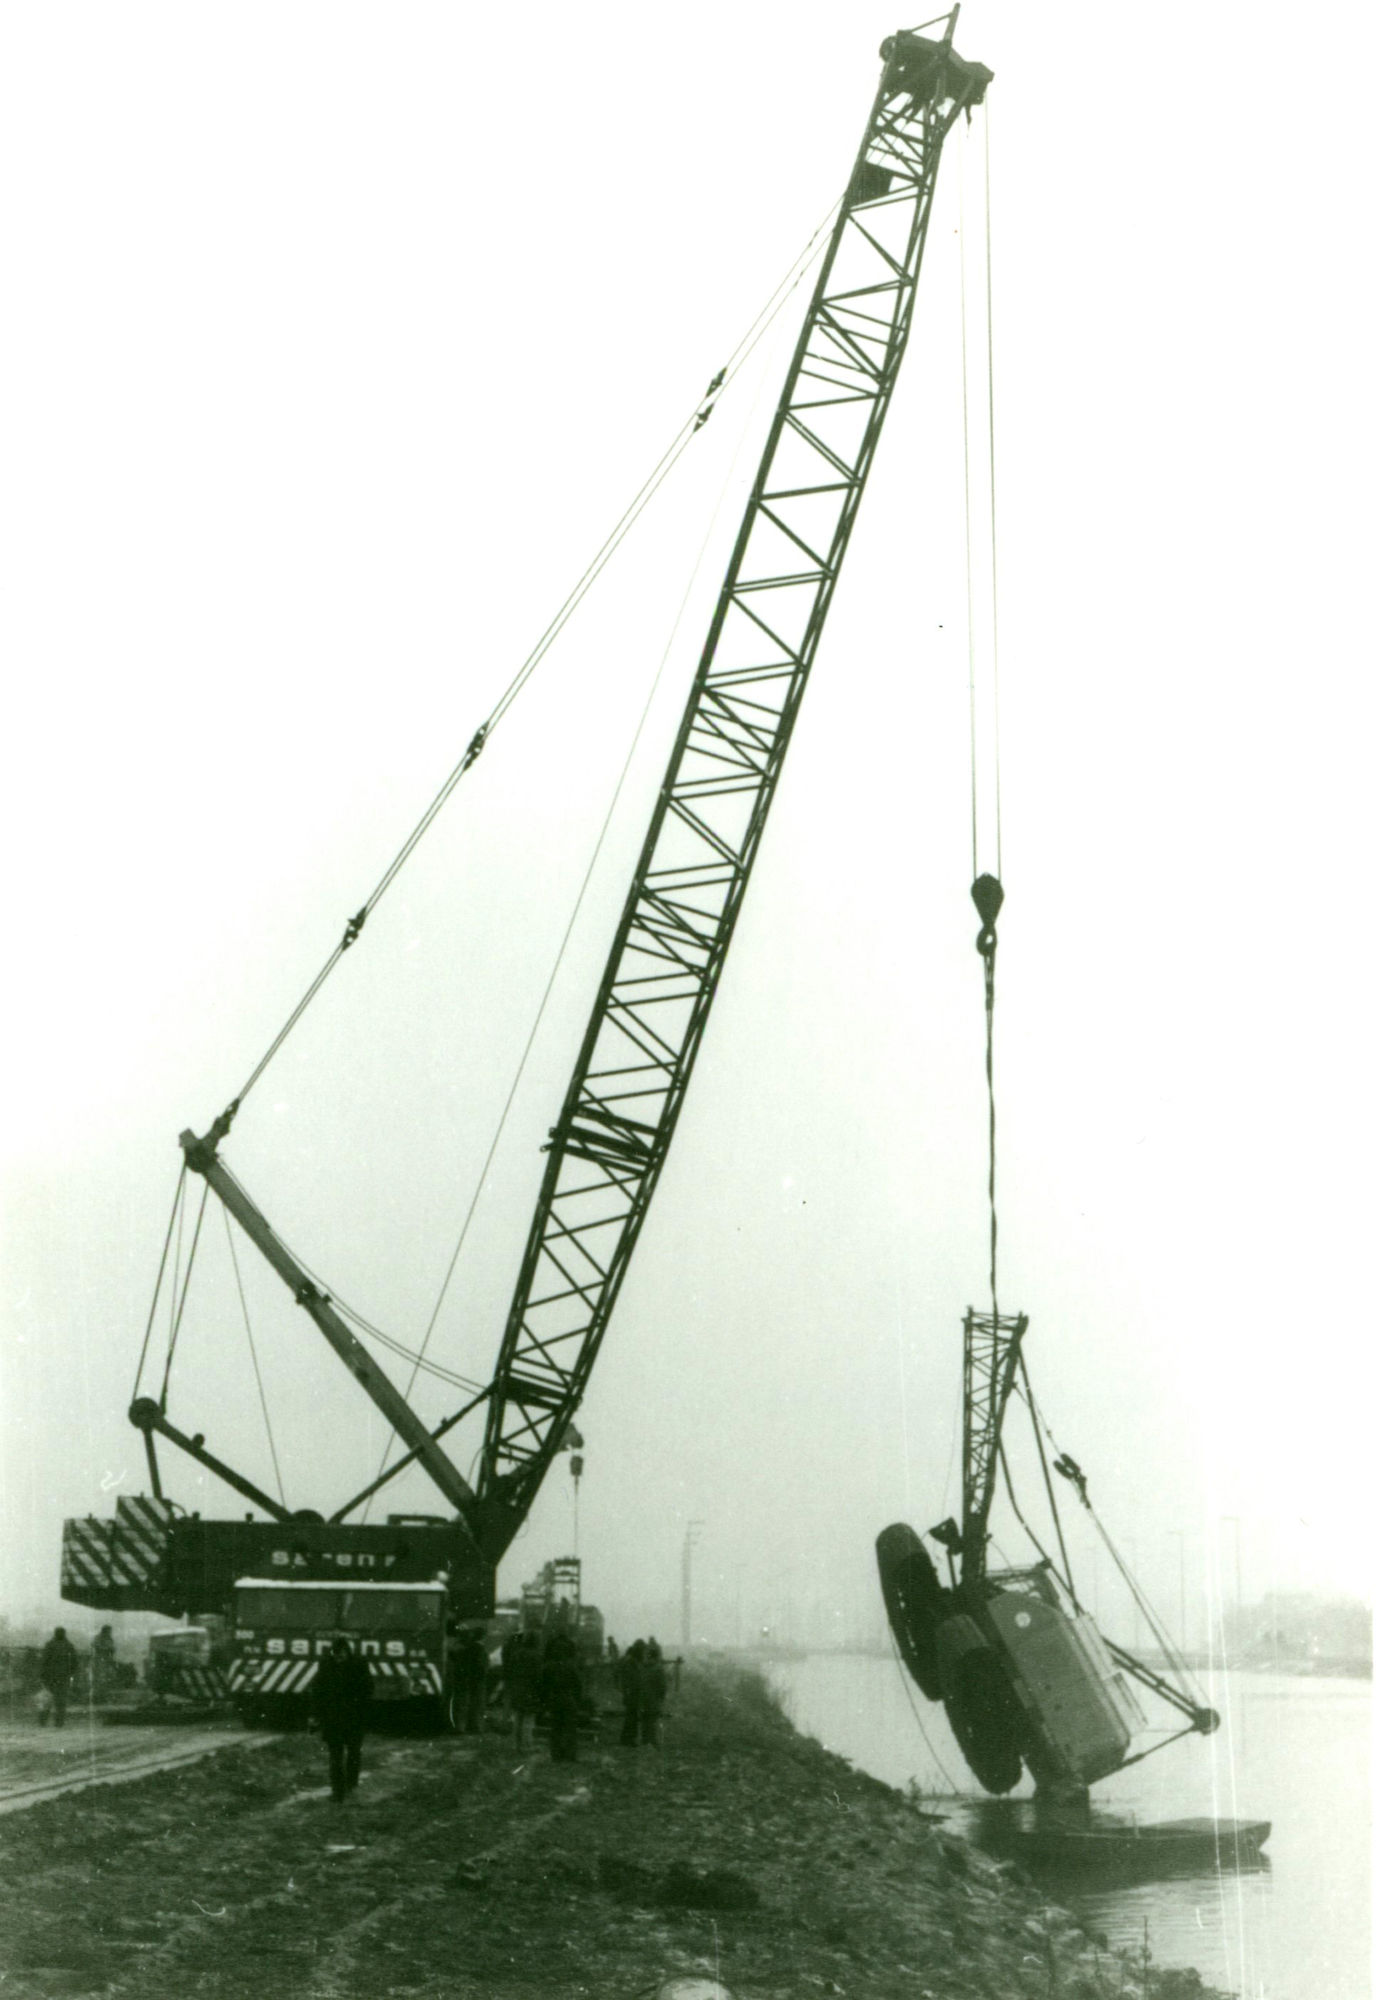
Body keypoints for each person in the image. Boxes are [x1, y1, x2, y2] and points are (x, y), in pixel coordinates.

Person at [311, 1636, 372, 1802]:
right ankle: (337, 1793)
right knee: (335, 1757)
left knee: (353, 1752)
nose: (338, 1657)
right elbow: (317, 1691)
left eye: (341, 1654)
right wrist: (315, 1715)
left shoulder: (359, 1665)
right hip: (333, 1719)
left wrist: (363, 1712)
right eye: (335, 1654)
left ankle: (351, 1784)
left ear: (347, 1652)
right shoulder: (325, 1665)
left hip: (354, 1718)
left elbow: (367, 1690)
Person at [539, 1633, 583, 1762]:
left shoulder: (547, 1667)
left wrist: (545, 1702)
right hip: (568, 1698)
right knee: (570, 1728)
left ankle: (556, 1755)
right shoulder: (570, 1666)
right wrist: (577, 1701)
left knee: (555, 1728)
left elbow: (542, 1685)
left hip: (553, 1698)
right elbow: (578, 1685)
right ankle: (570, 1755)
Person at [501, 1628, 541, 1751]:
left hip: (517, 1687)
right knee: (528, 1718)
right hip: (530, 1688)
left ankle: (516, 1744)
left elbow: (510, 1670)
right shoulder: (536, 1655)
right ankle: (527, 1745)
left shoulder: (516, 1654)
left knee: (518, 1716)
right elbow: (538, 1675)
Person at [451, 1625, 489, 1735]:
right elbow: (482, 1666)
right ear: (482, 1637)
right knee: (477, 1704)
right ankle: (476, 1726)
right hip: (477, 1681)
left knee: (462, 1703)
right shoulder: (480, 1649)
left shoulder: (464, 1648)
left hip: (463, 1679)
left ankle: (460, 1727)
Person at [39, 1627, 79, 1728]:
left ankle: (43, 1721)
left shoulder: (50, 1645)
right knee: (60, 1700)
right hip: (63, 1677)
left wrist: (42, 1675)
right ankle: (59, 1722)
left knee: (48, 1699)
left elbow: (44, 1661)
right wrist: (72, 1673)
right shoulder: (69, 1646)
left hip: (51, 1676)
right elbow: (74, 1662)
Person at [640, 1637, 669, 1748]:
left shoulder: (643, 1668)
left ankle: (644, 1740)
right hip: (654, 1698)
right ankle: (653, 1741)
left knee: (645, 1719)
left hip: (644, 1697)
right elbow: (662, 1686)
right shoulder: (658, 1669)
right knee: (653, 1719)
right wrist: (662, 1696)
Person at [618, 1638, 646, 1748]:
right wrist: (627, 1692)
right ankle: (628, 1739)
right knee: (631, 1716)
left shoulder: (634, 1660)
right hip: (632, 1692)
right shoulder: (631, 1661)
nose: (643, 1652)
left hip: (634, 1692)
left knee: (632, 1715)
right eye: (642, 1649)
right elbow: (628, 1678)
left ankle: (627, 1738)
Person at [91, 1625, 117, 1698]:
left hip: (107, 1659)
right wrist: (106, 1648)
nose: (110, 1632)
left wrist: (111, 1650)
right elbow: (95, 1645)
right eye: (109, 1631)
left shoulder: (110, 1639)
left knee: (107, 1677)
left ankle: (104, 1693)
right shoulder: (98, 1637)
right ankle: (98, 1694)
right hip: (99, 1659)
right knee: (99, 1677)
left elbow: (112, 1648)